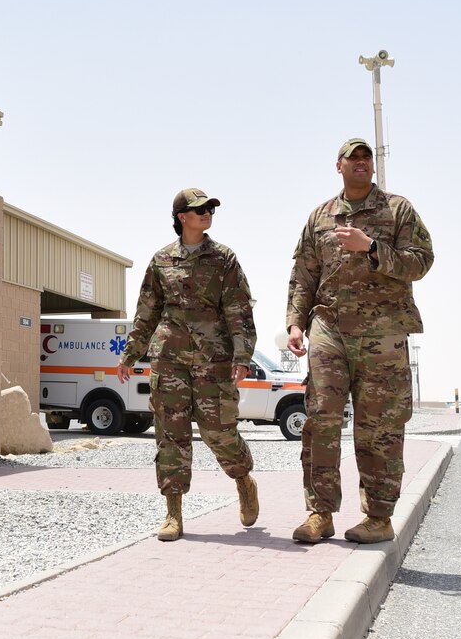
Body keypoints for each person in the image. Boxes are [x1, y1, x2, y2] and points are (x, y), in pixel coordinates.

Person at [286, 138, 434, 544]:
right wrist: (296, 323)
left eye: (367, 158)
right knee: (321, 420)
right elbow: (303, 274)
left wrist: (371, 248)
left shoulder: (398, 210)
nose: (361, 164)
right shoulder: (320, 217)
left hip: (383, 334)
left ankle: (378, 517)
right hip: (329, 329)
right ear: (339, 167)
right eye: (353, 159)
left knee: (380, 426)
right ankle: (320, 513)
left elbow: (421, 262)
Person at [116, 188, 260, 542]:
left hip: (214, 360)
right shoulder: (161, 260)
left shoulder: (224, 259)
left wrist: (243, 356)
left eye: (211, 208)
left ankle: (243, 479)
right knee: (171, 435)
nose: (208, 213)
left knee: (219, 431)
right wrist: (130, 354)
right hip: (169, 360)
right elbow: (146, 312)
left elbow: (239, 310)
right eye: (200, 209)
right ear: (182, 217)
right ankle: (173, 513)